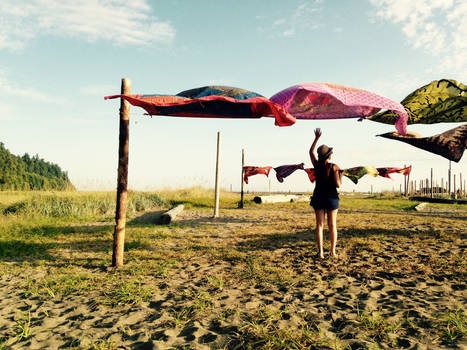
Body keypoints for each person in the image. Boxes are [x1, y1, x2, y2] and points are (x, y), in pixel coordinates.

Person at [309, 128, 343, 258]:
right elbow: (338, 185)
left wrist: (316, 138)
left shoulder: (317, 165)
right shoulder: (334, 167)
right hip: (331, 198)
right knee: (332, 225)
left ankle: (321, 252)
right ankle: (333, 251)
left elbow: (310, 151)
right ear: (329, 155)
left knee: (319, 225)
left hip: (318, 196)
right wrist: (341, 176)